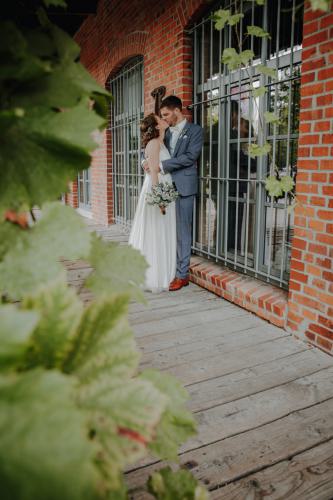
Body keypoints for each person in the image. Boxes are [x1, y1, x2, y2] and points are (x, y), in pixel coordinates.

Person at [158, 95, 203, 291]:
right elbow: (154, 150)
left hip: (185, 187)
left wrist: (163, 165)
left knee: (183, 232)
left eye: (167, 114)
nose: (165, 118)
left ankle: (182, 275)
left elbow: (191, 157)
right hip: (166, 186)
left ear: (177, 110)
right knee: (168, 230)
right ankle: (169, 268)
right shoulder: (166, 133)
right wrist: (146, 162)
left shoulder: (195, 131)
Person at [129, 113, 176, 292]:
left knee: (160, 229)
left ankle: (163, 271)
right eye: (161, 119)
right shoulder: (155, 143)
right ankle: (154, 276)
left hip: (163, 185)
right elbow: (154, 173)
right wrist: (159, 198)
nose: (164, 120)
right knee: (155, 230)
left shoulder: (161, 140)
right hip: (157, 187)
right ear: (157, 126)